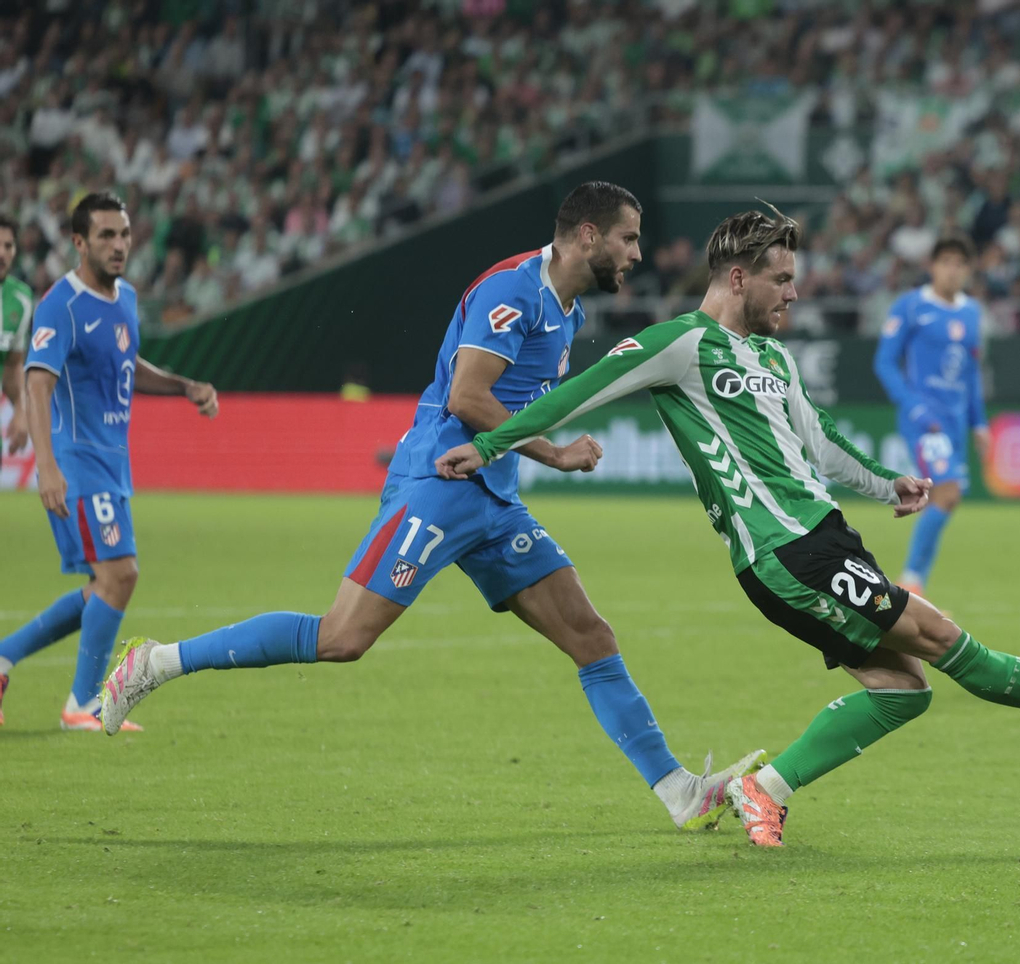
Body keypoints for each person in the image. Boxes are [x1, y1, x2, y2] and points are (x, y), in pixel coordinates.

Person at [433, 206, 1020, 847]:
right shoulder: (679, 345)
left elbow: (820, 444)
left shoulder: (775, 358)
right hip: (788, 550)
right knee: (942, 638)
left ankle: (767, 790)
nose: (796, 292)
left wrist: (887, 483)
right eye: (782, 278)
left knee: (903, 690)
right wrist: (490, 444)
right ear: (739, 278)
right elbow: (574, 396)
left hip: (825, 541)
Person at [97, 183, 762, 830]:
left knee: (591, 635)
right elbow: (468, 399)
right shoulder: (513, 291)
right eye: (628, 238)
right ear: (587, 235)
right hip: (441, 485)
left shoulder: (567, 313)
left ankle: (681, 793)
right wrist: (556, 453)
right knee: (342, 638)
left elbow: (508, 403)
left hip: (494, 500)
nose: (637, 254)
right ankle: (155, 662)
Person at [0, 192, 218, 730]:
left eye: (123, 234)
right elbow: (37, 381)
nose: (119, 245)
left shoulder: (124, 299)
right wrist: (47, 466)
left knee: (104, 583)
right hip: (77, 463)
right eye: (105, 236)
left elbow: (127, 362)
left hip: (112, 464)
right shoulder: (61, 304)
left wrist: (181, 386)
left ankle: (3, 657)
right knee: (121, 575)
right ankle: (82, 703)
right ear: (79, 242)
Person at [872, 235, 989, 595]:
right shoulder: (910, 306)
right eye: (946, 262)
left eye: (960, 263)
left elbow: (970, 374)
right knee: (947, 494)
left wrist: (979, 422)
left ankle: (914, 582)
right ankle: (911, 584)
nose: (952, 270)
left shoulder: (971, 313)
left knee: (947, 499)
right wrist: (915, 407)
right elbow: (884, 362)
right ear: (932, 266)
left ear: (968, 270)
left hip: (954, 422)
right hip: (925, 421)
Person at [0, 212, 33, 456]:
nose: (2, 253)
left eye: (8, 246)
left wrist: (21, 410)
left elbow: (12, 365)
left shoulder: (21, 299)